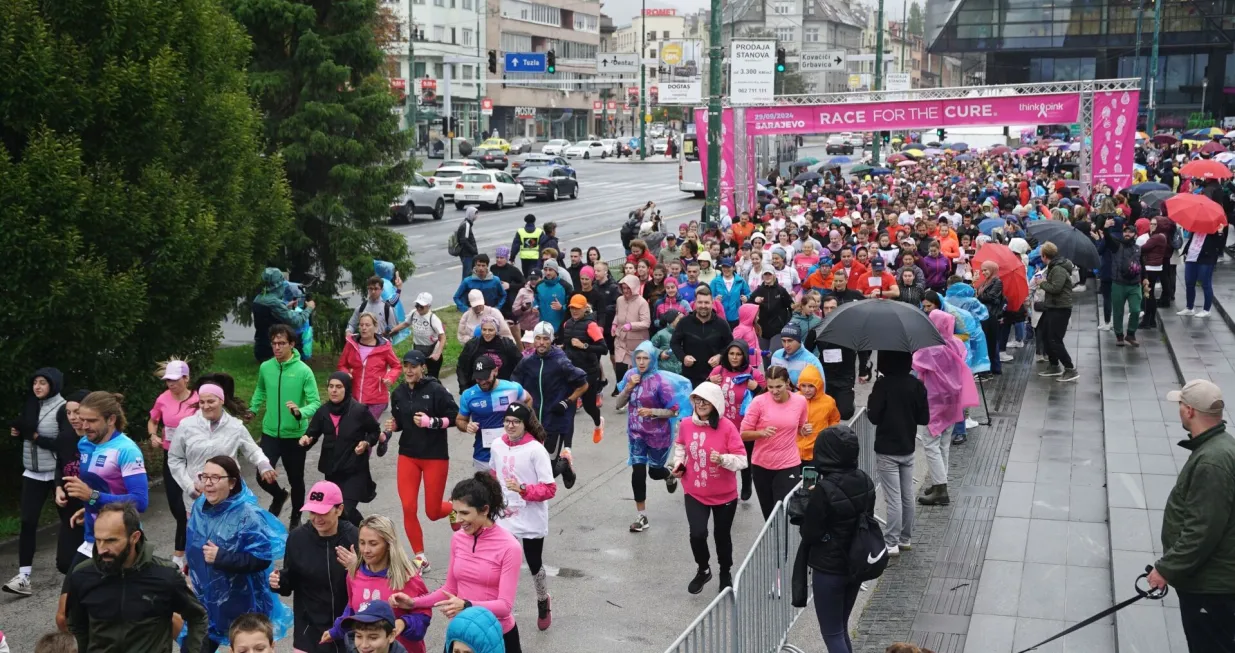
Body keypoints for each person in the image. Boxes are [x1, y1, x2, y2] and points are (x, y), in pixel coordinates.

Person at [1144, 379, 1235, 650]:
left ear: (1190, 412)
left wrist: (1166, 569)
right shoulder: (1219, 447)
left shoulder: (1212, 462)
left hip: (1211, 586)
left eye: (1181, 405)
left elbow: (1202, 530)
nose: (1180, 409)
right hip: (1212, 581)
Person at [389, 474, 525, 653]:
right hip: (461, 635)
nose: (458, 519)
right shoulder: (458, 539)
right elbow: (450, 590)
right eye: (455, 512)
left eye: (465, 513)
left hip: (496, 636)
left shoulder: (510, 547)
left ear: (484, 510)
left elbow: (504, 606)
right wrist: (413, 603)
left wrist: (466, 605)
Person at [65, 502, 208, 653]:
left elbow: (198, 617)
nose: (101, 549)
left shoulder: (166, 576)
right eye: (98, 540)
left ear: (134, 537)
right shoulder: (82, 575)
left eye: (111, 540)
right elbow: (77, 627)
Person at [186, 456, 292, 653]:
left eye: (216, 478)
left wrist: (221, 557)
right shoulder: (200, 506)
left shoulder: (247, 515)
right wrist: (190, 568)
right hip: (209, 598)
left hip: (244, 602)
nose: (208, 483)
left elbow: (261, 558)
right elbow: (195, 542)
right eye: (205, 476)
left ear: (232, 482)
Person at [797, 425, 876, 653]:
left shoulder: (824, 489)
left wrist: (805, 505)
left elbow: (811, 533)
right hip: (855, 562)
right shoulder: (865, 479)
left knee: (832, 633)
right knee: (840, 627)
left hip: (830, 568)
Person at [669, 382, 747, 593]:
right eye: (697, 400)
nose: (701, 404)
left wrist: (723, 459)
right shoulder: (685, 424)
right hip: (695, 491)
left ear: (715, 403)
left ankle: (725, 572)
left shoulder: (727, 426)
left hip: (725, 495)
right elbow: (681, 447)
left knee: (722, 536)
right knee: (697, 534)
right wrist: (679, 465)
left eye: (705, 401)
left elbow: (742, 460)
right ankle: (703, 569)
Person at [387, 350, 459, 571]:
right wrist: (394, 426)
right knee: (408, 507)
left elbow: (456, 417)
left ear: (423, 368)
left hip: (434, 456)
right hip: (407, 455)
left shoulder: (435, 389)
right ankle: (420, 557)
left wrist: (433, 422)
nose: (409, 370)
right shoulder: (398, 393)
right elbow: (400, 420)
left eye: (414, 366)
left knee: (432, 511)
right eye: (406, 366)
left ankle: (455, 508)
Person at [489, 403, 558, 630]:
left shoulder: (536, 450)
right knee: (502, 563)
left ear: (524, 424)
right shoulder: (497, 445)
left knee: (534, 562)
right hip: (504, 516)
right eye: (507, 421)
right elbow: (493, 473)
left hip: (530, 516)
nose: (510, 425)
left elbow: (549, 489)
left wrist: (523, 489)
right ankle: (500, 607)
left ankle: (542, 600)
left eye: (516, 422)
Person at [269, 480, 359, 653]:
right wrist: (279, 580)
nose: (317, 518)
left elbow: (374, 581)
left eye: (323, 512)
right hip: (309, 633)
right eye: (312, 512)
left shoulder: (355, 537)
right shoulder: (297, 538)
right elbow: (290, 580)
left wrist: (356, 568)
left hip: (350, 629)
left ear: (339, 510)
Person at [323, 516, 431, 652]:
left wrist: (404, 623)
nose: (366, 550)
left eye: (373, 544)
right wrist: (336, 630)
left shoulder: (407, 577)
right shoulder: (354, 574)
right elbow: (352, 608)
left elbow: (423, 614)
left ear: (388, 544)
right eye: (362, 543)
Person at [250, 324, 321, 527]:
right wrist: (253, 409)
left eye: (282, 343)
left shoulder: (303, 371)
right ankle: (279, 496)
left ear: (291, 344)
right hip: (270, 432)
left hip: (295, 435)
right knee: (261, 474)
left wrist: (300, 412)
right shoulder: (266, 367)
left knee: (296, 479)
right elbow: (260, 390)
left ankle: (295, 519)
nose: (277, 347)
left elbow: (315, 402)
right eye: (274, 343)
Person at [170, 381, 276, 517]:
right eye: (202, 402)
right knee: (200, 537)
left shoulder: (235, 426)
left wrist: (263, 465)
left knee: (229, 536)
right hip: (197, 497)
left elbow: (253, 450)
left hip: (228, 496)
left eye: (210, 401)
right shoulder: (186, 426)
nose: (206, 406)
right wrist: (189, 486)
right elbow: (175, 458)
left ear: (221, 400)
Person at [7, 367, 67, 597]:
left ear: (54, 384)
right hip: (32, 472)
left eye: (43, 382)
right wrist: (18, 431)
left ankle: (79, 569)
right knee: (27, 522)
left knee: (69, 522)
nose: (37, 387)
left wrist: (34, 437)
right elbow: (27, 431)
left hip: (56, 473)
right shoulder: (32, 404)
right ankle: (23, 577)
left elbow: (63, 444)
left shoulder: (63, 408)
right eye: (35, 383)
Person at [617, 342, 685, 532]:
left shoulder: (661, 382)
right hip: (636, 433)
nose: (641, 362)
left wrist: (653, 411)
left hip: (658, 434)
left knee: (654, 472)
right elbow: (618, 403)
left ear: (652, 359)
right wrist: (629, 387)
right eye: (638, 358)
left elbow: (674, 411)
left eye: (645, 358)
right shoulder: (630, 375)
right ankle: (642, 516)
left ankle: (668, 475)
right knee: (637, 472)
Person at [512, 322, 589, 488]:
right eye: (538, 338)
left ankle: (564, 465)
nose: (541, 342)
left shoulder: (561, 361)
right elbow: (515, 385)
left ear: (551, 340)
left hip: (555, 420)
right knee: (531, 466)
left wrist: (567, 401)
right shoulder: (527, 362)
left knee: (549, 470)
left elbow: (583, 385)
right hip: (531, 421)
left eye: (545, 339)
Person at [914, 310, 979, 506]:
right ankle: (939, 483)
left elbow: (916, 363)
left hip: (935, 401)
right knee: (943, 444)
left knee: (930, 442)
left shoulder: (930, 348)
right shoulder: (956, 343)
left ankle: (940, 488)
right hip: (952, 401)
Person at [868, 351, 929, 556]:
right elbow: (924, 417)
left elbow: (874, 416)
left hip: (887, 449)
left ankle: (891, 541)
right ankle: (905, 538)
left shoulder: (883, 385)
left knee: (893, 498)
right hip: (907, 446)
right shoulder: (916, 385)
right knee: (907, 496)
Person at [301, 373, 381, 526]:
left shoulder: (358, 410)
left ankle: (363, 535)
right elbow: (312, 433)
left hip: (355, 470)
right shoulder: (323, 412)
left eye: (338, 387)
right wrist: (306, 440)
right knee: (341, 512)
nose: (334, 390)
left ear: (347, 389)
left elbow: (375, 431)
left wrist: (366, 443)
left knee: (344, 511)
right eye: (331, 386)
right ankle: (366, 530)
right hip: (333, 471)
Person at [144, 359, 200, 572]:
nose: (171, 384)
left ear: (186, 378)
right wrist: (152, 435)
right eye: (168, 380)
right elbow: (153, 421)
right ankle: (188, 548)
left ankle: (180, 555)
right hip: (171, 456)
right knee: (176, 505)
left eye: (175, 380)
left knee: (191, 505)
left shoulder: (197, 399)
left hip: (193, 456)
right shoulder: (163, 399)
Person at [741, 366, 808, 519]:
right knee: (769, 515)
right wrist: (760, 433)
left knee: (783, 510)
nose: (774, 391)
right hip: (762, 465)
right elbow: (743, 434)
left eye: (779, 386)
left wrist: (804, 430)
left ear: (787, 383)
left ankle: (783, 543)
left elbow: (800, 428)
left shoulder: (800, 401)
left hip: (789, 463)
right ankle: (774, 542)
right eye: (770, 387)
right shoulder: (758, 402)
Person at [458, 357, 532, 472]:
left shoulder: (512, 388)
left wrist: (523, 423)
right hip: (483, 456)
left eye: (486, 377)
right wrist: (467, 426)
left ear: (495, 371)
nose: (482, 382)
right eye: (478, 378)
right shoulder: (468, 395)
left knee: (511, 489)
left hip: (512, 453)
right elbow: (460, 420)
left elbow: (528, 399)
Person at [559, 293, 608, 443]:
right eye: (572, 308)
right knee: (569, 409)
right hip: (570, 371)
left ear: (584, 308)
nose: (574, 311)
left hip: (588, 372)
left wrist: (584, 345)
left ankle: (598, 423)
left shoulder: (591, 325)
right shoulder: (567, 324)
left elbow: (604, 349)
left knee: (589, 406)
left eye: (578, 308)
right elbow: (566, 343)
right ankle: (567, 448)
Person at [338, 313, 402, 421]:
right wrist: (346, 374)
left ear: (375, 327)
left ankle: (380, 436)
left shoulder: (384, 347)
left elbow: (396, 366)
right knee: (354, 428)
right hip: (354, 396)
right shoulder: (351, 344)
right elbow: (342, 365)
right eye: (361, 325)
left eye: (367, 325)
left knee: (367, 428)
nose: (364, 328)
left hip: (376, 399)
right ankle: (383, 437)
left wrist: (390, 378)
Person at [671, 286, 734, 387]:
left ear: (712, 303)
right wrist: (683, 357)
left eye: (706, 302)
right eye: (700, 302)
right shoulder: (684, 322)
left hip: (714, 376)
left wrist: (720, 356)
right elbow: (674, 343)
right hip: (690, 376)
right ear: (695, 303)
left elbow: (730, 345)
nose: (703, 306)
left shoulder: (722, 324)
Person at [251, 267, 315, 363]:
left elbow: (270, 317)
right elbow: (296, 322)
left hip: (261, 349)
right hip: (274, 352)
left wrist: (286, 307)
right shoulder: (274, 303)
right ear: (278, 285)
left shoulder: (258, 298)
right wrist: (309, 308)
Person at [1037, 242, 1078, 382]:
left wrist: (1041, 283)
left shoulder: (1058, 269)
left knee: (1055, 339)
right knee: (1046, 337)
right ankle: (1054, 365)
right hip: (1052, 307)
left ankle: (1070, 368)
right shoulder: (1053, 267)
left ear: (1044, 256)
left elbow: (1056, 288)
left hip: (1060, 308)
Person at [456, 317, 523, 393]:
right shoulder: (472, 345)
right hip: (479, 388)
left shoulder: (507, 344)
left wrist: (516, 385)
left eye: (490, 330)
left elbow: (520, 365)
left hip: (503, 388)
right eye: (484, 329)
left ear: (496, 330)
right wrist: (464, 387)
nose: (487, 333)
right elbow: (461, 366)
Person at [818, 296, 859, 420]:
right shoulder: (817, 328)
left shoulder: (849, 328)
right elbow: (807, 349)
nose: (829, 310)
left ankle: (849, 403)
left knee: (845, 413)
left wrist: (863, 370)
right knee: (825, 413)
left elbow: (863, 348)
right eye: (826, 308)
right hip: (825, 375)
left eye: (832, 308)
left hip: (845, 376)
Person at [389, 293, 446, 379]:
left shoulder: (433, 319)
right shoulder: (413, 313)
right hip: (418, 350)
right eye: (417, 305)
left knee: (432, 379)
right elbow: (405, 324)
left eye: (421, 306)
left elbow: (442, 337)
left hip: (432, 353)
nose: (418, 308)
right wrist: (392, 331)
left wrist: (438, 354)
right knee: (417, 376)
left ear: (428, 306)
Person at [611, 275, 651, 394]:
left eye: (628, 288)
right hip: (621, 339)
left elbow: (646, 323)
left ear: (634, 288)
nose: (626, 291)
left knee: (636, 371)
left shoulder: (642, 302)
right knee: (620, 367)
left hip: (636, 342)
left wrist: (631, 325)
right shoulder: (619, 300)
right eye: (623, 288)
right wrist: (614, 324)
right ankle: (622, 393)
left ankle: (638, 394)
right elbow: (618, 314)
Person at [1107, 220, 1145, 346]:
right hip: (1119, 284)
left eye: (1130, 232)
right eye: (1125, 232)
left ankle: (1131, 334)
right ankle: (1119, 335)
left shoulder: (1138, 249)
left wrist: (1145, 278)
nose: (1127, 234)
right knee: (1118, 311)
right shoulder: (1117, 246)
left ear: (1135, 234)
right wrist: (1106, 228)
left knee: (1135, 310)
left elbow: (1142, 264)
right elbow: (1108, 240)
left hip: (1134, 284)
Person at [1177, 224, 1226, 318]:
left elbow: (1220, 245)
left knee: (1205, 283)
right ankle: (1189, 307)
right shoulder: (1195, 227)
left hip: (1205, 259)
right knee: (1189, 283)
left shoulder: (1213, 229)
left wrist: (1220, 233)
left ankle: (1206, 310)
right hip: (1191, 257)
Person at [796, 365, 841, 466]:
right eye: (803, 386)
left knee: (812, 481)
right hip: (795, 453)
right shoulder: (794, 399)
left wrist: (827, 439)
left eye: (811, 386)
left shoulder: (828, 402)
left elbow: (835, 420)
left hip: (817, 453)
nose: (807, 390)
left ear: (819, 385)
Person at [975, 260, 1005, 376]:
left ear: (992, 269)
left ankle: (990, 369)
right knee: (988, 342)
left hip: (991, 315)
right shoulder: (985, 281)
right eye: (982, 270)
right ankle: (993, 368)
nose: (984, 272)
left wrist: (978, 295)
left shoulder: (997, 282)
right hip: (984, 314)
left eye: (986, 270)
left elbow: (991, 296)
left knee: (990, 342)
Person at [533, 260, 569, 331]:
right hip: (543, 326)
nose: (547, 273)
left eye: (550, 270)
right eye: (545, 270)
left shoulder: (565, 286)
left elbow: (571, 305)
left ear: (556, 271)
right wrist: (535, 307)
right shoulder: (539, 285)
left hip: (560, 327)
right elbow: (536, 300)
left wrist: (562, 307)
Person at [456, 206, 480, 279]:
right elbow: (464, 240)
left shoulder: (466, 223)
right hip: (467, 255)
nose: (477, 216)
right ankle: (464, 290)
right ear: (471, 214)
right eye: (475, 214)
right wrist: (473, 250)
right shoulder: (466, 225)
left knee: (468, 275)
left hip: (467, 254)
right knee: (467, 276)